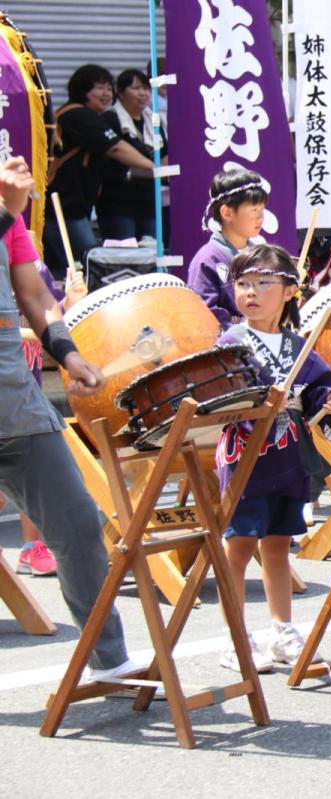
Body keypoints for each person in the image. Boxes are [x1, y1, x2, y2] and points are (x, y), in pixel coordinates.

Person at [0, 156, 134, 681]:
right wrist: (9, 212)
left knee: (80, 523)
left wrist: (70, 354)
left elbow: (35, 294)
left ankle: (110, 661)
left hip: (16, 402)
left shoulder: (7, 217)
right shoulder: (6, 212)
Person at [215, 243, 331, 671]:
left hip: (286, 453)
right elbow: (218, 393)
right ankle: (236, 637)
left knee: (277, 544)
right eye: (243, 283)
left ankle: (281, 630)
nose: (250, 292)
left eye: (262, 283)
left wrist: (329, 400)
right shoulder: (231, 341)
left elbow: (317, 388)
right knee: (238, 544)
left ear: (290, 290)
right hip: (245, 453)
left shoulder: (298, 345)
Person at [9, 247, 87, 577]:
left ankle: (31, 546)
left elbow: (52, 314)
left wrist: (70, 301)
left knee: (31, 468)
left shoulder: (32, 265)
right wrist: (36, 332)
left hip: (29, 387)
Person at [43, 64, 155, 277]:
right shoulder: (79, 116)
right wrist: (155, 169)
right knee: (90, 265)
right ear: (83, 90)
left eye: (108, 88)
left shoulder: (81, 116)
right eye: (99, 88)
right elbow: (115, 148)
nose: (106, 94)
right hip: (65, 208)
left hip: (73, 208)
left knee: (75, 267)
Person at [187, 167, 268, 328]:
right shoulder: (208, 259)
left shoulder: (261, 256)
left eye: (262, 210)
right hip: (231, 348)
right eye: (254, 210)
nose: (260, 217)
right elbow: (204, 316)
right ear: (227, 213)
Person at [97, 68, 164, 242]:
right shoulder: (109, 119)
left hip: (149, 202)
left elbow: (164, 155)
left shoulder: (154, 121)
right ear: (120, 92)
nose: (143, 94)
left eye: (145, 88)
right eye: (135, 88)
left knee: (151, 254)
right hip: (118, 202)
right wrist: (154, 167)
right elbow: (114, 151)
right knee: (123, 255)